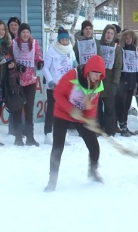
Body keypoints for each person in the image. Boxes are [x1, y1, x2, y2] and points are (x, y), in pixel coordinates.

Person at [44, 55, 106, 192]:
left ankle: (93, 171)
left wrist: (90, 119)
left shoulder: (98, 84)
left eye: (100, 74)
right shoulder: (73, 75)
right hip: (62, 112)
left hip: (81, 116)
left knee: (94, 147)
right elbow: (57, 94)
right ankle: (52, 181)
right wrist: (71, 109)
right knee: (57, 148)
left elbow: (93, 103)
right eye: (95, 73)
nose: (97, 76)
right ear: (88, 70)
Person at [43, 26, 78, 144]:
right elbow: (45, 68)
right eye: (62, 39)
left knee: (64, 110)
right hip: (54, 85)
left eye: (66, 39)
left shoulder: (70, 50)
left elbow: (74, 65)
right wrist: (50, 81)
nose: (65, 41)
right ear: (59, 40)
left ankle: (63, 134)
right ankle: (48, 133)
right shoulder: (51, 51)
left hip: (66, 86)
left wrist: (75, 65)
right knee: (52, 109)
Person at [12, 23, 44, 146]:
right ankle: (18, 137)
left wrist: (40, 62)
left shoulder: (34, 43)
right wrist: (16, 65)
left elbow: (38, 55)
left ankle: (30, 137)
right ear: (19, 33)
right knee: (18, 109)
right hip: (17, 80)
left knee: (29, 109)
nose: (26, 34)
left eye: (27, 32)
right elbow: (9, 57)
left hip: (30, 80)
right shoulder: (14, 43)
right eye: (23, 32)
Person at [115, 29, 138, 137]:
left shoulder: (136, 51)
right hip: (122, 81)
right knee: (121, 105)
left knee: (127, 106)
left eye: (130, 38)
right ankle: (122, 126)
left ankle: (124, 125)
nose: (128, 40)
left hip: (132, 81)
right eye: (126, 38)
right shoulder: (120, 49)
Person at [97, 24, 123, 136]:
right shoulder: (97, 45)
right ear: (104, 33)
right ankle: (98, 127)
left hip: (109, 81)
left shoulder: (117, 49)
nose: (109, 35)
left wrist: (115, 83)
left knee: (110, 108)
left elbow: (118, 67)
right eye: (107, 33)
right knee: (96, 107)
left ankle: (110, 129)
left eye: (112, 34)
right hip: (97, 81)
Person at [6, 16, 25, 136]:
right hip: (9, 74)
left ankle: (20, 127)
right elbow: (5, 53)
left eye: (16, 25)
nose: (14, 27)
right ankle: (14, 128)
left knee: (20, 101)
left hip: (22, 74)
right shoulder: (6, 39)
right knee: (13, 100)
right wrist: (11, 62)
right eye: (11, 25)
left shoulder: (22, 39)